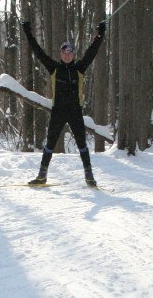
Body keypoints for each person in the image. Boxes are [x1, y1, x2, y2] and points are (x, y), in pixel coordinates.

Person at [22, 19, 106, 186]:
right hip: (58, 112)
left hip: (75, 112)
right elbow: (38, 52)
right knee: (50, 144)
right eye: (64, 53)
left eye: (70, 53)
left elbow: (92, 52)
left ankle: (89, 176)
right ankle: (42, 175)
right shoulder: (54, 69)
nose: (67, 55)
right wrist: (28, 33)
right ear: (61, 55)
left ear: (73, 55)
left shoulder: (79, 69)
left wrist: (100, 34)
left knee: (82, 144)